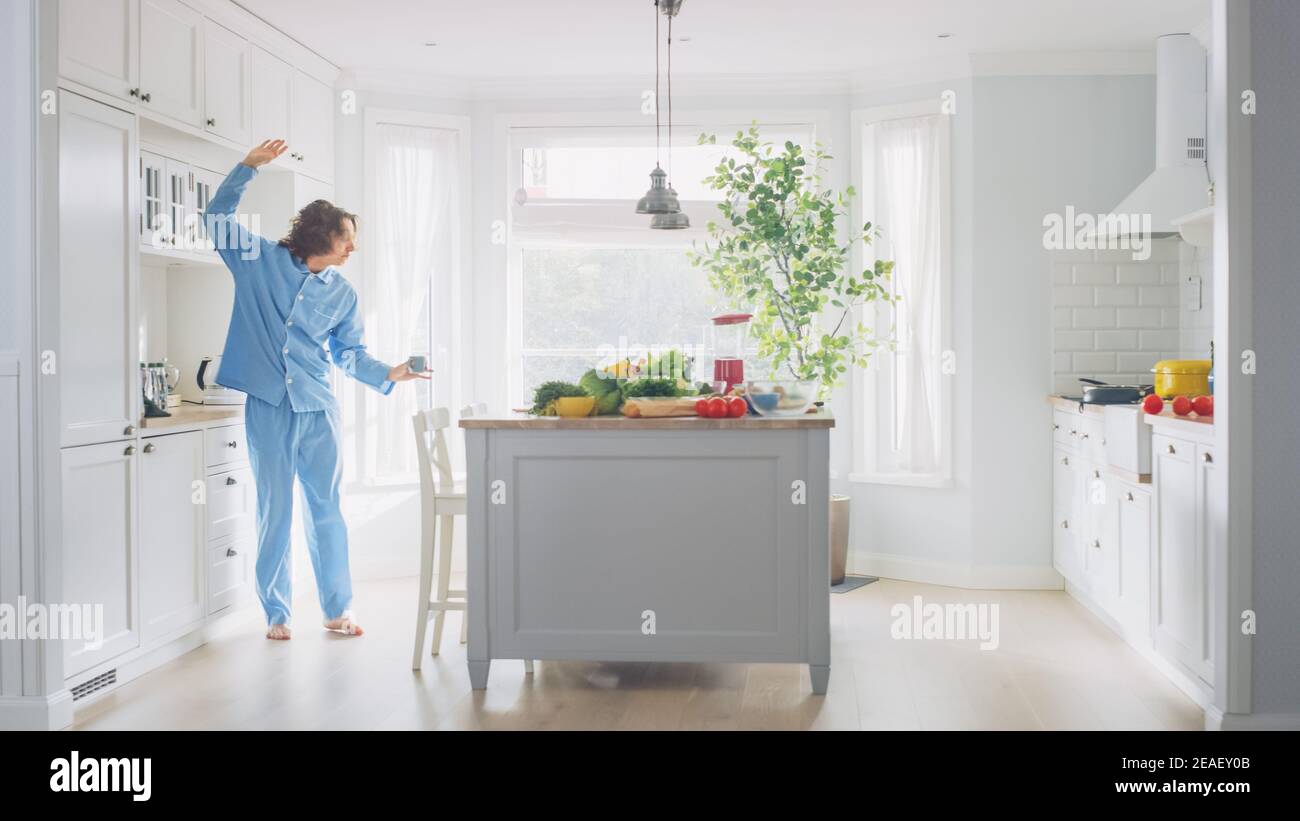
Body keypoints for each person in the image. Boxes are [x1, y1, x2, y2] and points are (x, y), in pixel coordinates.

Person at [204, 139, 429, 640]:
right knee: (274, 510)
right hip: (268, 407)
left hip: (318, 410)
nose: (353, 248)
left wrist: (389, 373)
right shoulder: (256, 261)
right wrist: (247, 168)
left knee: (326, 510)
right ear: (320, 235)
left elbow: (347, 353)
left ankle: (336, 608)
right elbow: (216, 216)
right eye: (347, 238)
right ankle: (277, 612)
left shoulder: (342, 293)